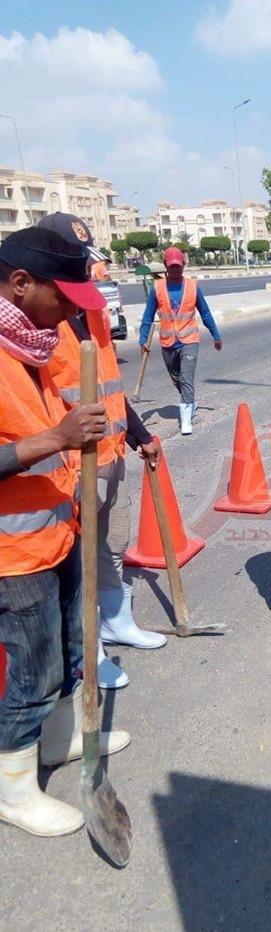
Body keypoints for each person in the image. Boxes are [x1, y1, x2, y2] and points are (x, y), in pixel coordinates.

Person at [0, 227, 130, 838]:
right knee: (33, 669)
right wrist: (57, 437)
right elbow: (38, 441)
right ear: (21, 283)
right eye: (66, 297)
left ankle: (57, 742)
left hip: (58, 533)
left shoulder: (29, 346)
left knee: (69, 652)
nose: (74, 311)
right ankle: (13, 790)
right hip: (13, 552)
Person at [39, 213, 166, 691]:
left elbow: (110, 387)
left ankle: (118, 622)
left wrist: (139, 435)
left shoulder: (90, 310)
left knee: (112, 549)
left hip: (111, 455)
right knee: (78, 560)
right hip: (72, 466)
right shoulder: (38, 325)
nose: (88, 272)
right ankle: (85, 651)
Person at [138, 247, 222, 435]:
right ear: (166, 266)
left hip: (189, 340)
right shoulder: (157, 288)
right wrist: (143, 339)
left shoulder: (193, 286)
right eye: (171, 267)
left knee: (186, 377)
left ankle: (185, 421)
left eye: (178, 266)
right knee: (177, 379)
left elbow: (205, 313)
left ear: (183, 265)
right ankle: (190, 402)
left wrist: (216, 335)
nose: (175, 270)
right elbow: (147, 316)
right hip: (168, 343)